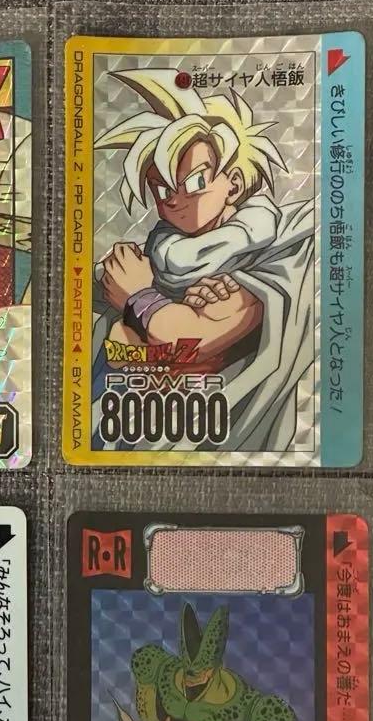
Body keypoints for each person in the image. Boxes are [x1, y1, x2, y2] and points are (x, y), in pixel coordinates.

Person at [90, 69, 314, 453]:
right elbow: (126, 344)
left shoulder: (275, 249)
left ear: (234, 185)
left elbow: (188, 339)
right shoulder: (158, 252)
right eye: (162, 190)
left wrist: (138, 296)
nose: (175, 199)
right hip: (135, 421)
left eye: (194, 182)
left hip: (216, 435)